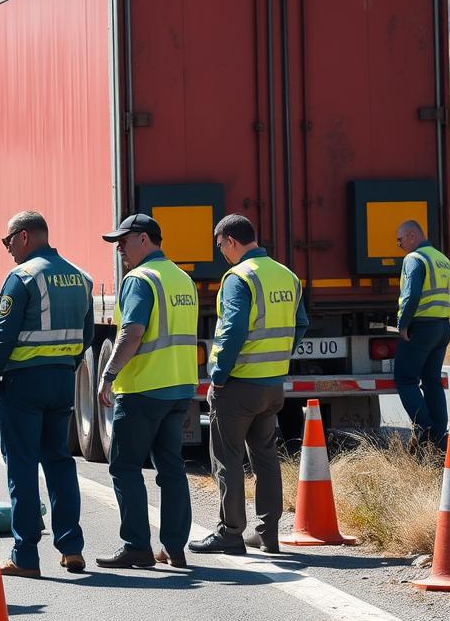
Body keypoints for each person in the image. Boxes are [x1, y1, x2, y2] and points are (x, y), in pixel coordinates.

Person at [0, 211, 94, 578]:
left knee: (23, 467)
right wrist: (66, 362)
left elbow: (3, 334)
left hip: (22, 385)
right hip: (61, 381)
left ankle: (26, 555)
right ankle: (71, 548)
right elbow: (87, 334)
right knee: (60, 462)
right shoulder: (80, 277)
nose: (7, 248)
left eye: (8, 240)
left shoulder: (22, 277)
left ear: (25, 236)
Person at [190, 214, 307, 556]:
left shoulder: (239, 277)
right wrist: (279, 358)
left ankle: (230, 533)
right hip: (272, 385)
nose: (221, 253)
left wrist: (219, 375)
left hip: (239, 384)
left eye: (220, 246)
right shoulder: (286, 274)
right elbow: (301, 324)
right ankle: (268, 534)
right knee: (266, 458)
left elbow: (233, 329)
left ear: (229, 240)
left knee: (227, 459)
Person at [95, 214, 197, 569]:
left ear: (144, 239)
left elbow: (132, 332)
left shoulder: (140, 279)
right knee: (171, 468)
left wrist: (108, 374)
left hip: (143, 389)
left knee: (124, 467)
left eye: (123, 241)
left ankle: (137, 546)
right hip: (179, 387)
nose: (120, 249)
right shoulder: (181, 277)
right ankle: (174, 547)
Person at [394, 220, 450, 449]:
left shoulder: (414, 259)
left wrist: (403, 325)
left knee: (405, 378)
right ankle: (440, 438)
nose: (399, 246)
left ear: (411, 236)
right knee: (432, 381)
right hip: (442, 327)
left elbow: (411, 296)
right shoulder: (443, 260)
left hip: (422, 328)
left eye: (400, 240)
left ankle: (426, 431)